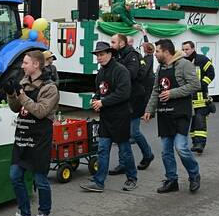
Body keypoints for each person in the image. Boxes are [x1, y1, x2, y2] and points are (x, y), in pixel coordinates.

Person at [5, 51, 59, 216]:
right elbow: (15, 109)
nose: (22, 66)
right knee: (15, 176)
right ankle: (24, 213)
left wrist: (21, 95)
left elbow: (40, 111)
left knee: (40, 179)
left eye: (26, 63)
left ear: (36, 65)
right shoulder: (23, 82)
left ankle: (44, 213)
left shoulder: (49, 87)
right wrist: (11, 94)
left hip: (40, 139)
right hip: (22, 137)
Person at [144, 39, 201, 194]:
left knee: (181, 147)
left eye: (157, 51)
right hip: (164, 114)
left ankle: (194, 175)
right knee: (165, 150)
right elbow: (156, 90)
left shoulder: (184, 64)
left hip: (181, 113)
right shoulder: (161, 67)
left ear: (166, 52)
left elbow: (195, 85)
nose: (155, 54)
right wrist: (149, 110)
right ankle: (171, 180)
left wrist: (172, 93)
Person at [80, 41, 138, 193]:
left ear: (110, 54)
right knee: (102, 149)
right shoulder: (101, 73)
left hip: (121, 116)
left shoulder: (121, 70)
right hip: (106, 118)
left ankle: (132, 178)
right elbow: (100, 91)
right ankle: (99, 182)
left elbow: (123, 93)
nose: (99, 57)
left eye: (102, 54)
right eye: (97, 55)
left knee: (124, 150)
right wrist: (95, 99)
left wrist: (102, 102)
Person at [108, 34, 155, 175]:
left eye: (113, 42)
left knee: (133, 132)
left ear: (122, 44)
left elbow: (132, 74)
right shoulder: (117, 56)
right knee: (122, 133)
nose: (111, 45)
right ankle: (124, 163)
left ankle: (148, 155)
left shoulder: (132, 55)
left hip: (135, 99)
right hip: (123, 98)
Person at [182, 41, 215, 154]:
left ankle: (201, 143)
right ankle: (195, 142)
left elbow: (211, 73)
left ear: (193, 49)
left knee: (200, 120)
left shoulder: (202, 59)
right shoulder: (182, 62)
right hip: (187, 97)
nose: (185, 52)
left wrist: (202, 84)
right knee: (192, 122)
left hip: (200, 96)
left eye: (187, 49)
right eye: (184, 49)